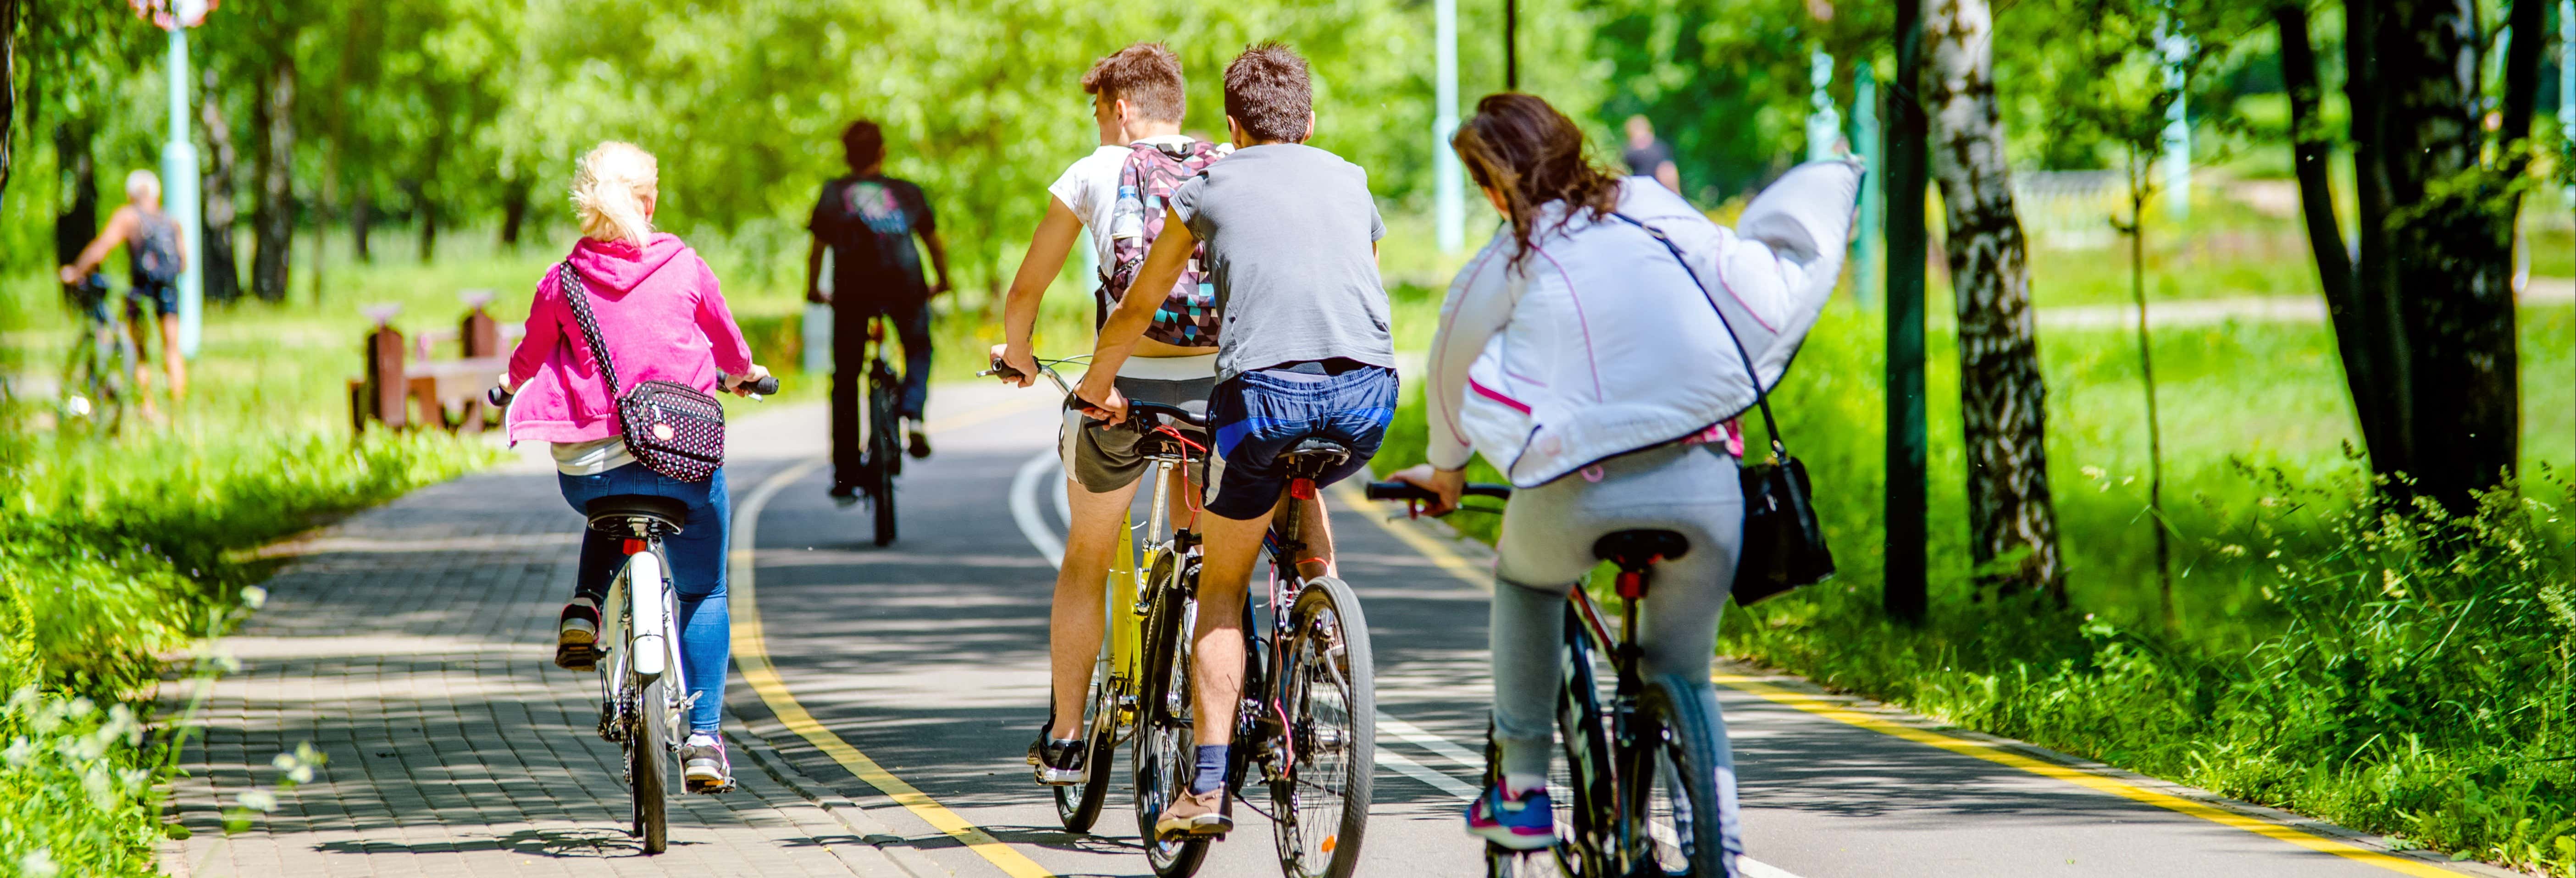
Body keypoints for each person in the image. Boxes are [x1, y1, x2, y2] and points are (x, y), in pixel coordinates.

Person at [1386, 94, 1856, 867]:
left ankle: (1524, 787)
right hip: (1704, 481)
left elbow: (1451, 361)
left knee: (1527, 580)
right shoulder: (1649, 205)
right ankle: (1718, 851)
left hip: (1576, 484)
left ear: (1497, 185)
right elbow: (1733, 270)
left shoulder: (1515, 250)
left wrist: (1446, 472)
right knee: (1685, 675)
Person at [1075, 41, 1398, 840]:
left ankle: (1207, 788)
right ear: (1309, 120)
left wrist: (1097, 382)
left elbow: (1140, 303)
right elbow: (1356, 286)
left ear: (1231, 127)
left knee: (1222, 585)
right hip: (1369, 397)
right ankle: (1322, 619)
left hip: (1262, 399)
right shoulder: (1351, 179)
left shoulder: (1207, 185)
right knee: (1302, 477)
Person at [990, 41, 1230, 787]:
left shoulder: (1094, 170)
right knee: (1209, 560)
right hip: (1220, 393)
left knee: (1086, 557)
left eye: (1098, 113)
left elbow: (1026, 291)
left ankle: (1066, 738)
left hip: (1123, 393)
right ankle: (1212, 730)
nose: (1100, 126)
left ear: (1120, 109)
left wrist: (1019, 353)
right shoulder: (1228, 163)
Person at [499, 141, 773, 794]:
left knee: (612, 503)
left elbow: (529, 356)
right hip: (681, 462)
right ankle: (704, 736)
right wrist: (745, 375)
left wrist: (504, 388)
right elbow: (731, 349)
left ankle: (585, 607)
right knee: (703, 589)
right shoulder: (685, 265)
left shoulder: (562, 278)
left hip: (590, 470)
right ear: (648, 202)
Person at [808, 119, 953, 504]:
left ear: (846, 155)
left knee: (845, 378)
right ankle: (913, 414)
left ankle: (845, 475)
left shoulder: (833, 193)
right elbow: (933, 242)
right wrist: (942, 280)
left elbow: (817, 249)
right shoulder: (906, 191)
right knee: (918, 347)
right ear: (882, 152)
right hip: (905, 283)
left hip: (852, 290)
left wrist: (813, 290)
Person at [59, 169, 188, 420]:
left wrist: (77, 271)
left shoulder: (129, 217)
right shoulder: (171, 220)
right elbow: (183, 262)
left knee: (139, 350)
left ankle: (147, 406)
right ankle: (178, 410)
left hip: (141, 290)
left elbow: (102, 248)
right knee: (172, 348)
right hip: (168, 288)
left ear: (131, 194)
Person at [1622, 114, 1682, 193]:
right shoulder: (1660, 147)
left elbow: (1667, 170)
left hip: (1651, 190)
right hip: (1649, 190)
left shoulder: (1659, 148)